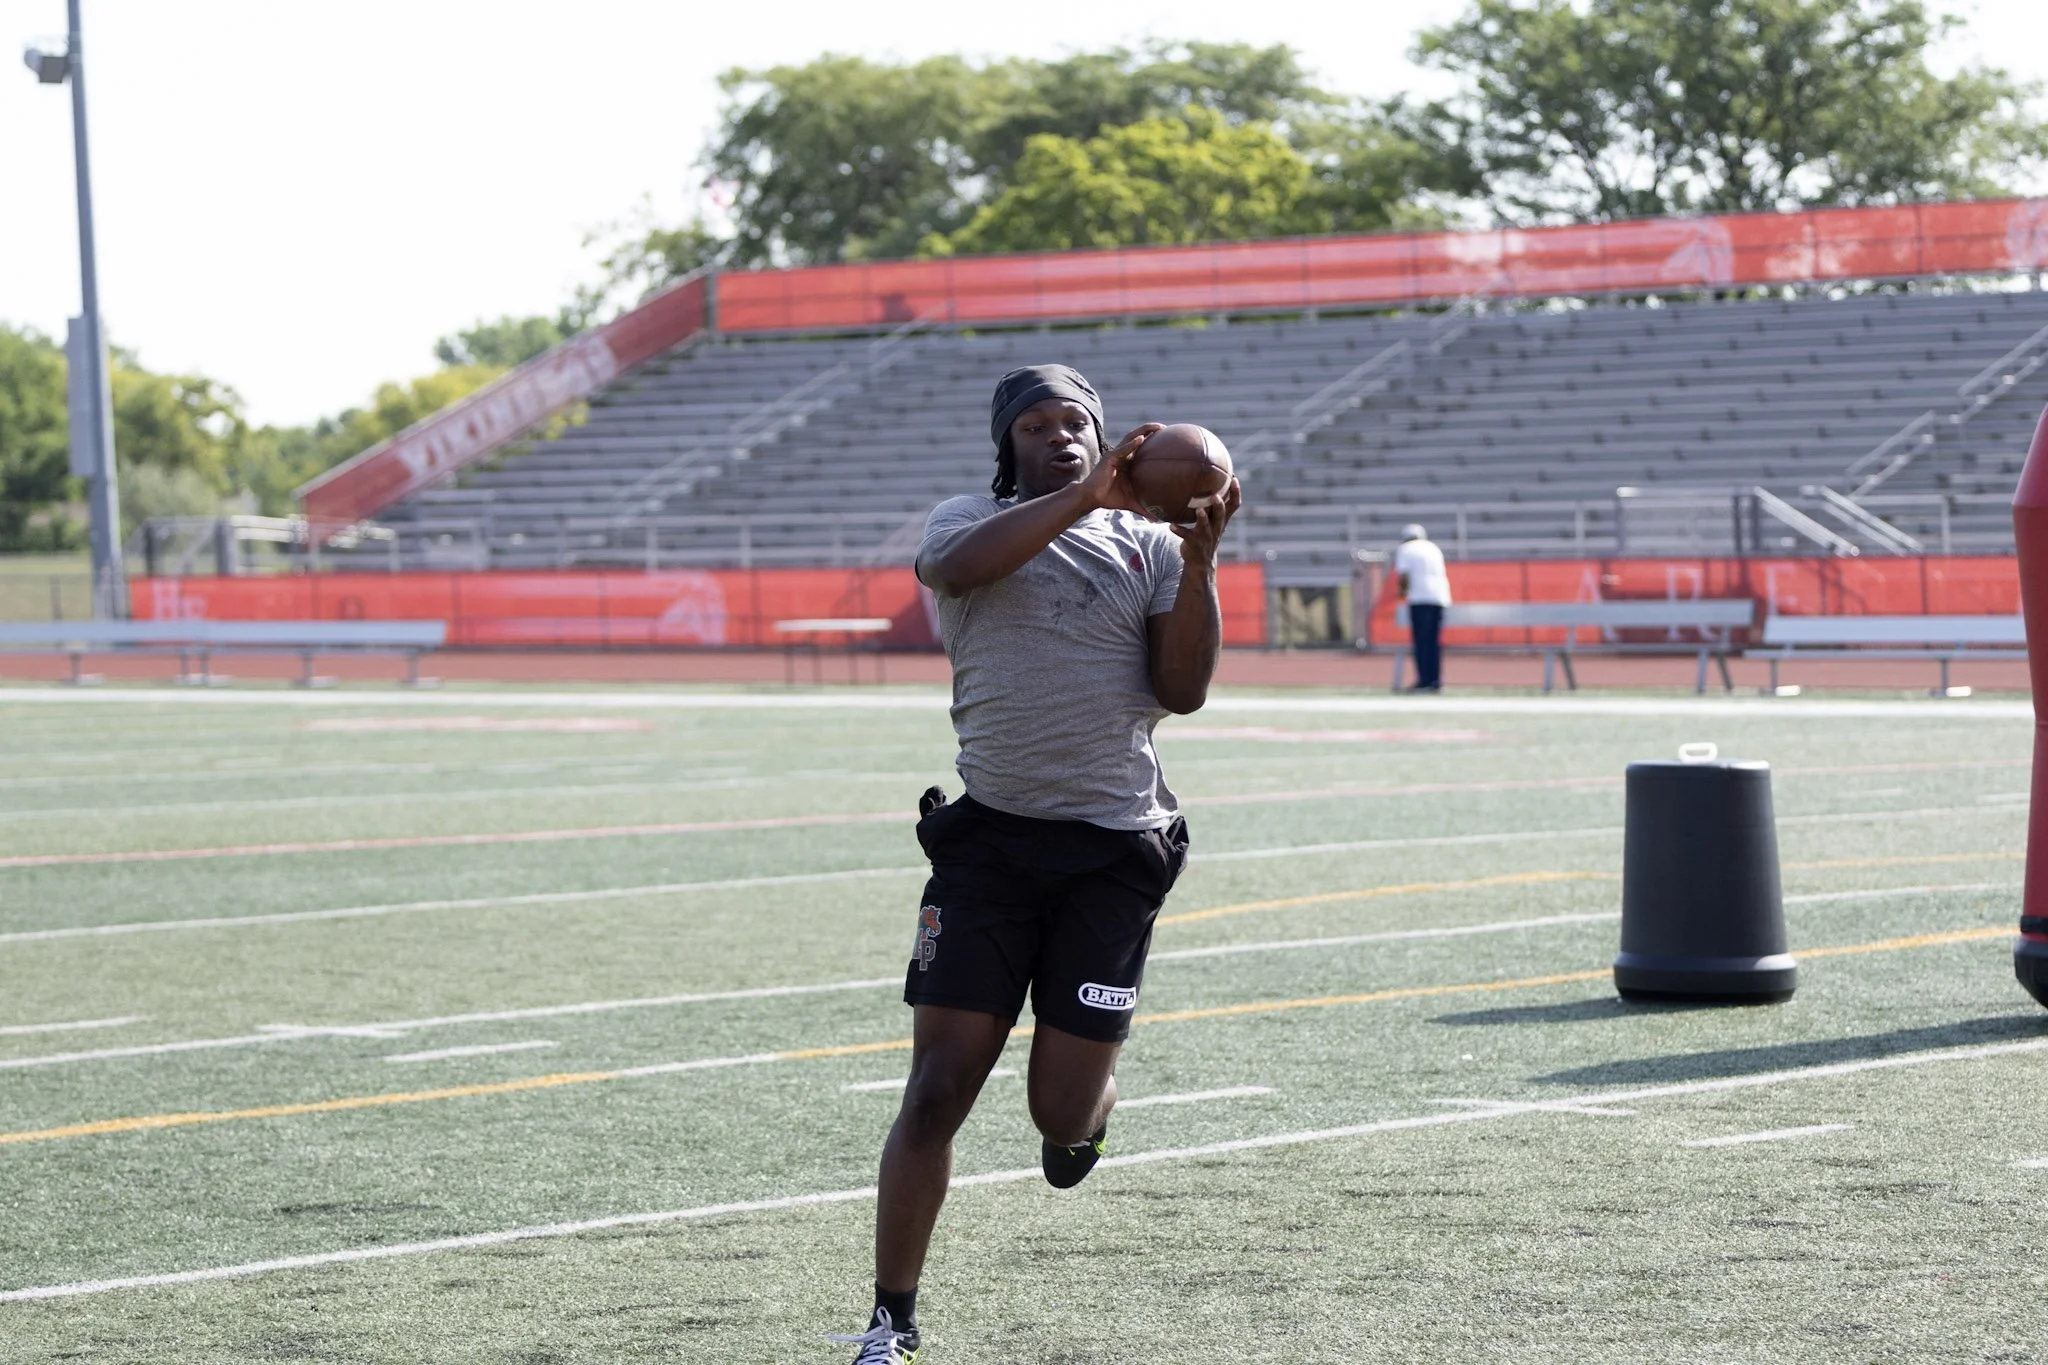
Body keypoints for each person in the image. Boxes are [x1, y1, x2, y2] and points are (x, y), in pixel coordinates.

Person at [829, 365, 1242, 1364]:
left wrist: (1199, 563)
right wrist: (1081, 493)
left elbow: (1178, 692)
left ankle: (1087, 1120)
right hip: (991, 848)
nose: (1057, 436)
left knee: (1056, 1109)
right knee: (934, 1092)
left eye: (1076, 423)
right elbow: (962, 571)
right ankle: (892, 1318)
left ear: (1108, 437)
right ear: (1005, 444)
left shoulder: (1146, 546)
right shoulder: (966, 518)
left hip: (1112, 849)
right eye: (1037, 426)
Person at [1394, 523, 1451, 691]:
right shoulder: (1433, 548)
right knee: (1434, 642)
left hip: (1420, 597)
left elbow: (1404, 575)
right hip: (1440, 597)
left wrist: (1402, 592)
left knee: (1421, 642)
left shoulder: (1406, 549)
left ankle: (1424, 680)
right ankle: (1435, 680)